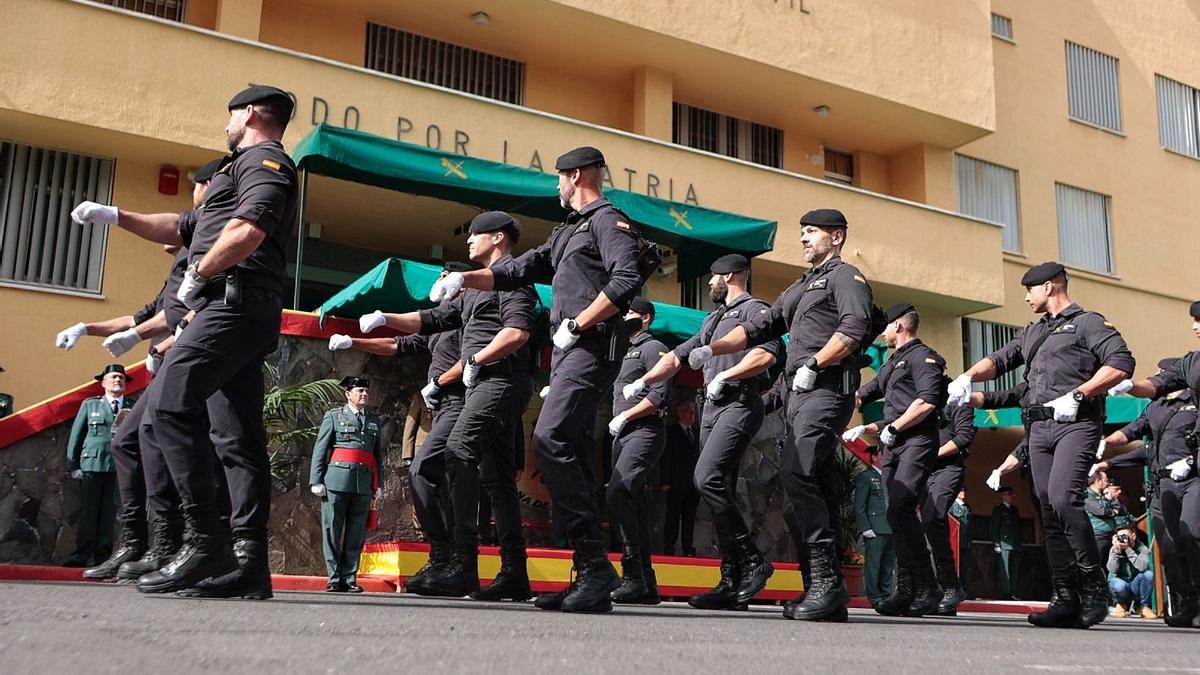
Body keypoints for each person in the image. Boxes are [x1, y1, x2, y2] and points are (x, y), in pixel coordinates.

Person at [73, 84, 299, 599]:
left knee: (169, 406)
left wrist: (199, 271)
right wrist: (116, 216)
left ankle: (206, 540)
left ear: (248, 113)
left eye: (230, 115)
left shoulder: (265, 161)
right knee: (237, 438)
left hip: (232, 304)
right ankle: (247, 564)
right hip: (234, 306)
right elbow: (183, 224)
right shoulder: (233, 171)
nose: (225, 125)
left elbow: (250, 229)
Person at [426, 147, 646, 613]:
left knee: (549, 438)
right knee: (562, 445)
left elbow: (627, 277)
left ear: (576, 175)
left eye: (559, 178)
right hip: (570, 352)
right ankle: (588, 571)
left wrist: (581, 322)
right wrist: (465, 280)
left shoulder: (608, 221)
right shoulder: (569, 230)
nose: (557, 187)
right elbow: (520, 268)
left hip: (590, 345)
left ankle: (594, 566)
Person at [690, 209, 875, 622]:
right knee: (811, 492)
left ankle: (827, 582)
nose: (805, 238)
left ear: (838, 237)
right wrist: (712, 350)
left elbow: (854, 327)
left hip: (826, 390)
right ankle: (825, 589)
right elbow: (763, 327)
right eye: (803, 231)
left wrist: (815, 363)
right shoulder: (801, 286)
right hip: (799, 396)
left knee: (798, 474)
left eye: (812, 232)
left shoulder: (847, 278)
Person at [947, 261, 1134, 628]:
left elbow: (1121, 363)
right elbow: (1000, 360)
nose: (1025, 296)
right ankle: (1064, 596)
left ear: (1048, 287)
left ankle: (1093, 587)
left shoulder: (1088, 323)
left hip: (1075, 424)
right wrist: (967, 377)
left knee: (1065, 498)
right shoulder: (1034, 333)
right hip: (1039, 431)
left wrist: (1079, 394)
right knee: (1047, 510)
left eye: (1029, 289)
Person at [363, 212, 536, 602]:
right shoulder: (474, 289)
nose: (468, 242)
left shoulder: (512, 280)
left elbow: (517, 332)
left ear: (497, 238)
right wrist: (385, 318)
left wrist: (477, 360)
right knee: (498, 480)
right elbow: (434, 319)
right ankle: (513, 572)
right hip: (486, 382)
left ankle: (462, 564)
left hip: (501, 379)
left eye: (475, 235)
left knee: (458, 452)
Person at [76, 158, 228, 582]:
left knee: (156, 435)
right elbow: (145, 317)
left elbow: (207, 312)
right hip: (169, 362)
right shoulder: (177, 270)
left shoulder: (212, 239)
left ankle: (171, 543)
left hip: (193, 360)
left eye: (195, 188)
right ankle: (138, 543)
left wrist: (164, 342)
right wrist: (89, 327)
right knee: (130, 440)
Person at [633, 254, 781, 611]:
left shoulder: (755, 309)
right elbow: (677, 356)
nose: (708, 284)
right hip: (712, 407)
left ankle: (752, 560)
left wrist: (726, 376)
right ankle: (732, 582)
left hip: (739, 402)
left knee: (706, 478)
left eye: (711, 278)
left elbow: (768, 354)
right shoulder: (713, 319)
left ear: (728, 275)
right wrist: (644, 379)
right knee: (720, 489)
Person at [329, 262, 470, 592]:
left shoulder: (469, 317)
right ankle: (445, 556)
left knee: (425, 470)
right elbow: (397, 345)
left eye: (445, 279)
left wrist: (438, 382)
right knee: (437, 475)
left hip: (462, 402)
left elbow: (474, 357)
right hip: (443, 406)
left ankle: (448, 554)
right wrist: (355, 341)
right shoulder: (440, 323)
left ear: (461, 285)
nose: (439, 285)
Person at [843, 304, 947, 616]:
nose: (883, 332)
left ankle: (928, 586)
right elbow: (868, 392)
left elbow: (927, 401)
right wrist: (848, 403)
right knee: (893, 512)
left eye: (886, 326)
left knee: (901, 504)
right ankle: (906, 587)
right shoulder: (892, 362)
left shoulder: (924, 357)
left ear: (899, 325)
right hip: (895, 444)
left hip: (916, 440)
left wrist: (894, 427)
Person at [1101, 354, 1200, 627]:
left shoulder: (1194, 402)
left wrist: (1191, 460)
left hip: (1193, 478)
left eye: (1161, 375)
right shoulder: (1155, 407)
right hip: (1165, 483)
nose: (1157, 380)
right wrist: (1106, 444)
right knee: (1170, 545)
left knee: (1192, 534)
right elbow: (1133, 431)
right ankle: (1185, 602)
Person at [606, 297, 672, 604]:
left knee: (618, 492)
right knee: (634, 502)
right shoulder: (622, 348)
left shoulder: (651, 348)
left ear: (645, 318)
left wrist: (626, 416)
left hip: (644, 431)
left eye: (630, 313)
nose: (624, 318)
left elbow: (659, 395)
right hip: (623, 434)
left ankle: (632, 574)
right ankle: (646, 582)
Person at [310, 376, 383, 593]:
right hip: (336, 481)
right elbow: (320, 449)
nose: (364, 394)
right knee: (332, 529)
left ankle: (349, 577)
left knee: (356, 533)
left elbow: (376, 455)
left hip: (363, 482)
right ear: (347, 394)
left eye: (366, 391)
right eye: (359, 390)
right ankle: (334, 578)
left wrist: (377, 483)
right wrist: (316, 479)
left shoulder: (373, 420)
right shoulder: (334, 417)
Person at [65, 364, 134, 567]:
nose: (118, 380)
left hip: (117, 467)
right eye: (113, 377)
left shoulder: (132, 406)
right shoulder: (90, 405)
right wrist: (73, 464)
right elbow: (76, 435)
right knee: (88, 512)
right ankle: (81, 554)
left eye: (121, 377)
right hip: (91, 464)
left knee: (108, 514)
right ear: (103, 383)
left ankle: (103, 556)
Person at [924, 389, 976, 615]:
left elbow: (964, 436)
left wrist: (932, 455)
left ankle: (950, 586)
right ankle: (936, 589)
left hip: (948, 467)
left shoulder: (958, 403)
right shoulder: (923, 401)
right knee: (923, 524)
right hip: (923, 470)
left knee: (933, 517)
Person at [853, 446, 895, 606]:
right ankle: (874, 597)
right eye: (883, 454)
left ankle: (885, 594)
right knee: (873, 564)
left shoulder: (890, 477)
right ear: (874, 457)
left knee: (888, 564)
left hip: (890, 527)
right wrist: (866, 528)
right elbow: (859, 506)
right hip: (875, 528)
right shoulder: (867, 477)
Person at [661, 399, 700, 557]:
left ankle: (687, 547)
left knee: (689, 517)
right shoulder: (671, 432)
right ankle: (669, 547)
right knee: (673, 515)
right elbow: (666, 457)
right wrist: (665, 480)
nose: (691, 416)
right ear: (680, 414)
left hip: (693, 483)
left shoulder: (696, 434)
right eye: (688, 412)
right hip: (676, 482)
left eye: (693, 412)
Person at [1107, 523, 1156, 618]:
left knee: (1149, 574)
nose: (1123, 539)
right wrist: (1115, 554)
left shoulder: (1142, 548)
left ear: (1133, 536)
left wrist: (1128, 550)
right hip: (1120, 584)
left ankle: (1144, 606)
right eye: (1120, 537)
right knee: (1118, 584)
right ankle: (1120, 604)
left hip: (1134, 585)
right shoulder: (1115, 549)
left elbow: (1142, 567)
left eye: (1125, 536)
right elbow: (1112, 570)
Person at [990, 486, 1023, 600]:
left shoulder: (1014, 509)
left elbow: (1018, 528)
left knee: (1014, 570)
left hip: (1014, 543)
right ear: (1003, 496)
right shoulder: (998, 510)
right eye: (1009, 494)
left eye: (1012, 494)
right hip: (1004, 544)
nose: (1011, 496)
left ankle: (1012, 592)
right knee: (1005, 571)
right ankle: (1005, 592)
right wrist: (997, 544)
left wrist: (1019, 544)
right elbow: (994, 527)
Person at [1085, 470, 1120, 565]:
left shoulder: (1103, 494)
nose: (1107, 482)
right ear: (1097, 481)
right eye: (1105, 480)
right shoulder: (1088, 496)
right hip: (1098, 536)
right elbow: (1101, 511)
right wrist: (1110, 507)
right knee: (1097, 563)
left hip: (1110, 535)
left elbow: (1117, 509)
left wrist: (1111, 501)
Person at [949, 489, 974, 598]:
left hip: (966, 542)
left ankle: (965, 590)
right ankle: (957, 589)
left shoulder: (966, 506)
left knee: (966, 568)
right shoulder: (952, 505)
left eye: (964, 491)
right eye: (960, 491)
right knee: (956, 568)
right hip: (956, 541)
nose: (963, 493)